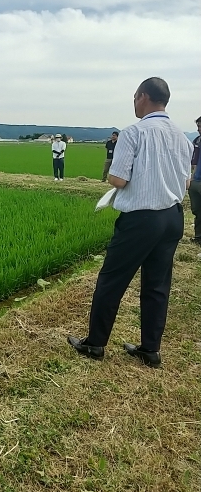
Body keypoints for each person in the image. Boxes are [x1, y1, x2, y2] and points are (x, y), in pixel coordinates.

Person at [68, 77, 193, 368]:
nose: (134, 102)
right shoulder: (183, 137)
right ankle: (150, 350)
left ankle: (95, 344)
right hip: (173, 218)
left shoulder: (133, 133)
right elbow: (185, 183)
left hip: (141, 220)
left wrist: (124, 178)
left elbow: (118, 179)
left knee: (112, 280)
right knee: (157, 284)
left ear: (144, 97)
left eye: (135, 96)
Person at [188, 116, 201, 245]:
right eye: (198, 126)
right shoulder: (196, 141)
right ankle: (198, 237)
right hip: (196, 180)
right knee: (197, 211)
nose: (199, 129)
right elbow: (193, 162)